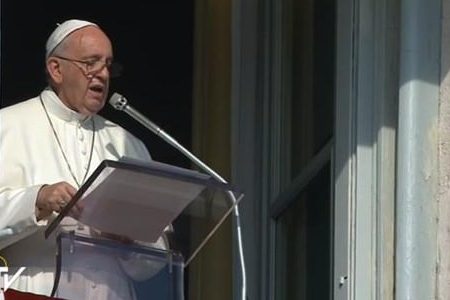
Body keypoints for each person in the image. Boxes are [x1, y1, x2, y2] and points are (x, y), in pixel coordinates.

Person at [0, 19, 163, 299]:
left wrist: (130, 239)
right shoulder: (7, 126)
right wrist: (37, 200)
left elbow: (156, 261)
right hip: (30, 292)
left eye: (108, 65)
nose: (102, 74)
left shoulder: (129, 146)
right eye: (91, 63)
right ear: (56, 69)